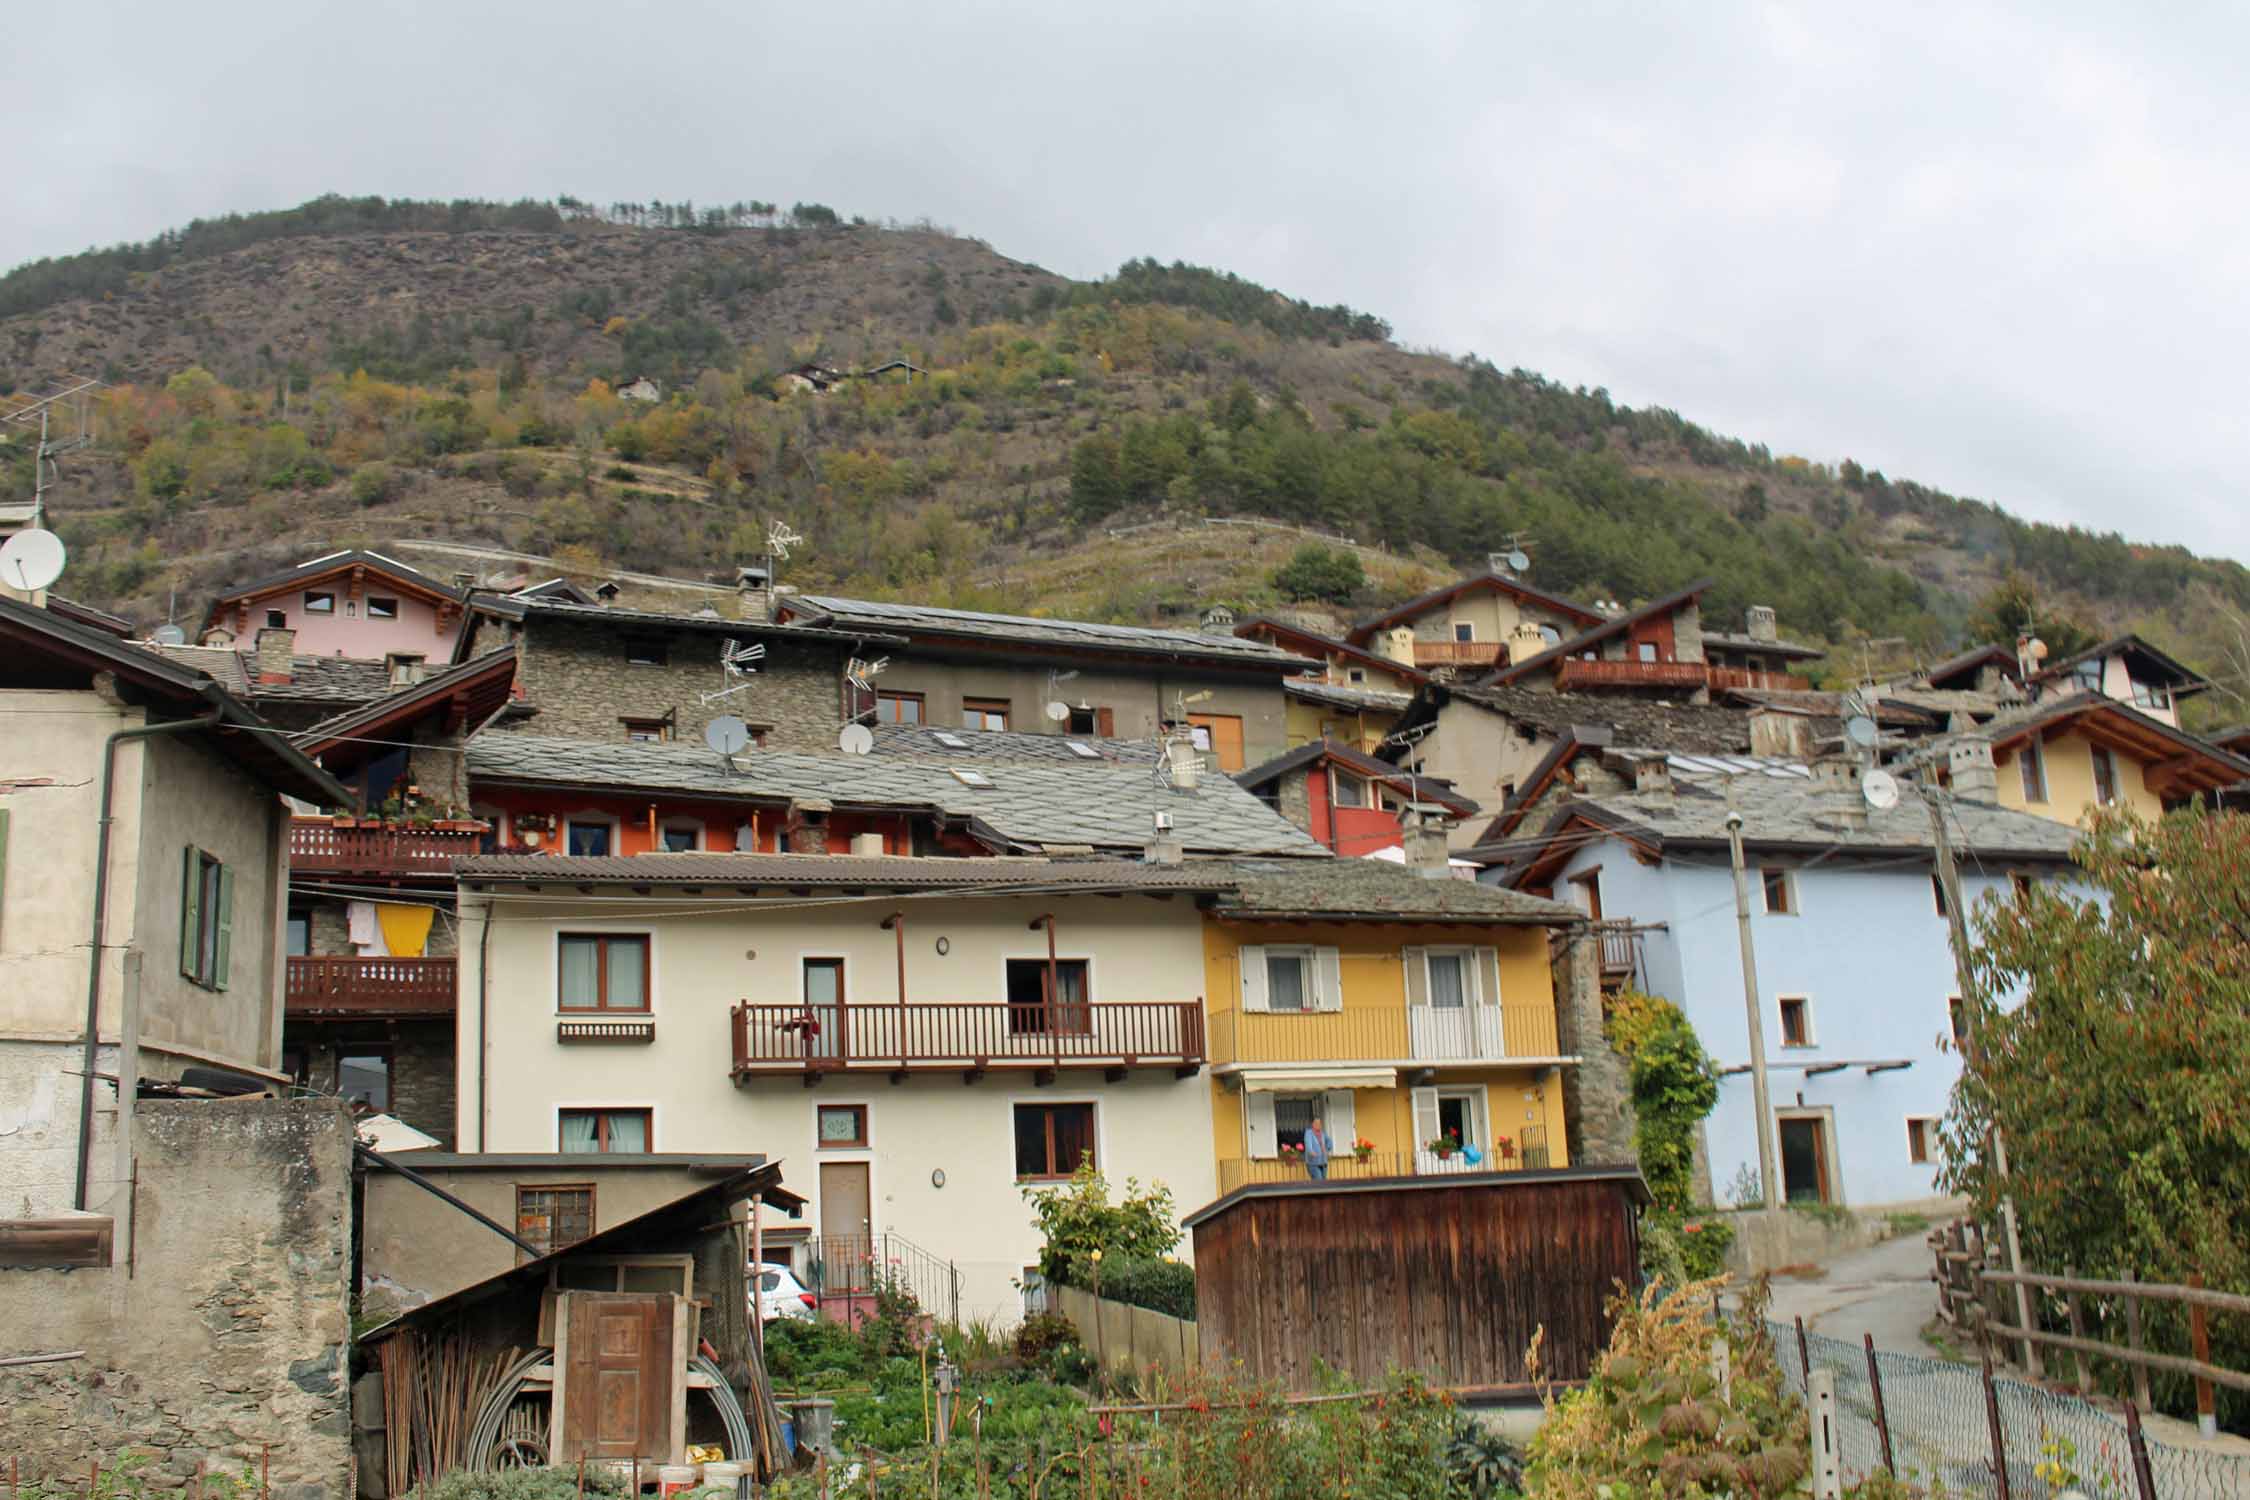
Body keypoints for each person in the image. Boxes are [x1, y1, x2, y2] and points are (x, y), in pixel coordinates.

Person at [1303, 1114, 1332, 1180]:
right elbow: (1308, 1144)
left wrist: (1327, 1148)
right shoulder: (1308, 1133)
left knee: (1323, 1181)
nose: (1318, 1124)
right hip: (1313, 1163)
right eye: (1316, 1123)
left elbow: (1329, 1141)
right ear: (1312, 1124)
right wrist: (1311, 1151)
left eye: (1319, 1123)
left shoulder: (1323, 1133)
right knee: (1318, 1180)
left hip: (1323, 1162)